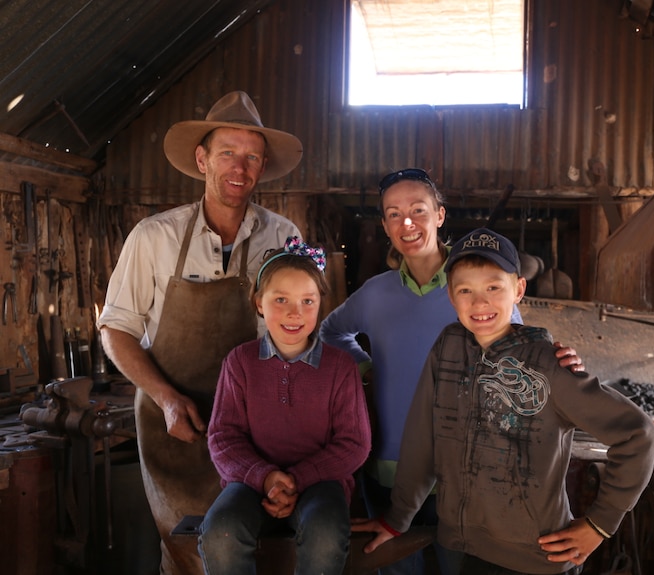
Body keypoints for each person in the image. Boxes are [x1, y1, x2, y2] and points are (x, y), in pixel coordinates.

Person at [318, 169, 586, 575]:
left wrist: (560, 363)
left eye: (418, 210)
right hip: (390, 465)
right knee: (397, 567)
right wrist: (368, 368)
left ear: (440, 216)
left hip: (466, 470)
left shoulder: (474, 289)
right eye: (393, 213)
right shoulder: (375, 293)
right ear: (385, 224)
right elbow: (330, 331)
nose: (406, 223)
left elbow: (517, 358)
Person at [351, 227, 654, 575]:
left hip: (534, 555)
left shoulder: (549, 365)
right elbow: (424, 437)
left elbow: (638, 434)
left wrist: (600, 523)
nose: (479, 303)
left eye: (494, 287)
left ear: (519, 290)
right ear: (450, 296)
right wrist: (398, 517)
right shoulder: (448, 347)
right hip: (460, 547)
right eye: (465, 290)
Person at [97, 91, 304, 574]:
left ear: (263, 165)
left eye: (252, 156)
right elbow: (116, 329)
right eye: (227, 152)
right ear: (202, 159)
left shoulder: (284, 237)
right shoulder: (153, 237)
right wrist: (167, 399)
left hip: (259, 429)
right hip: (178, 429)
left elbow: (300, 328)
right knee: (185, 552)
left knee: (260, 551)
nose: (240, 166)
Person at [197, 238, 371, 574]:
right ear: (259, 303)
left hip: (322, 481)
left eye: (308, 301)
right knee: (221, 533)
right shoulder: (240, 362)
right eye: (281, 300)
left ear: (321, 303)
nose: (295, 313)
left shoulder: (340, 367)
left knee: (325, 534)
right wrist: (266, 478)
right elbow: (222, 436)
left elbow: (355, 443)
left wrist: (296, 478)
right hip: (251, 482)